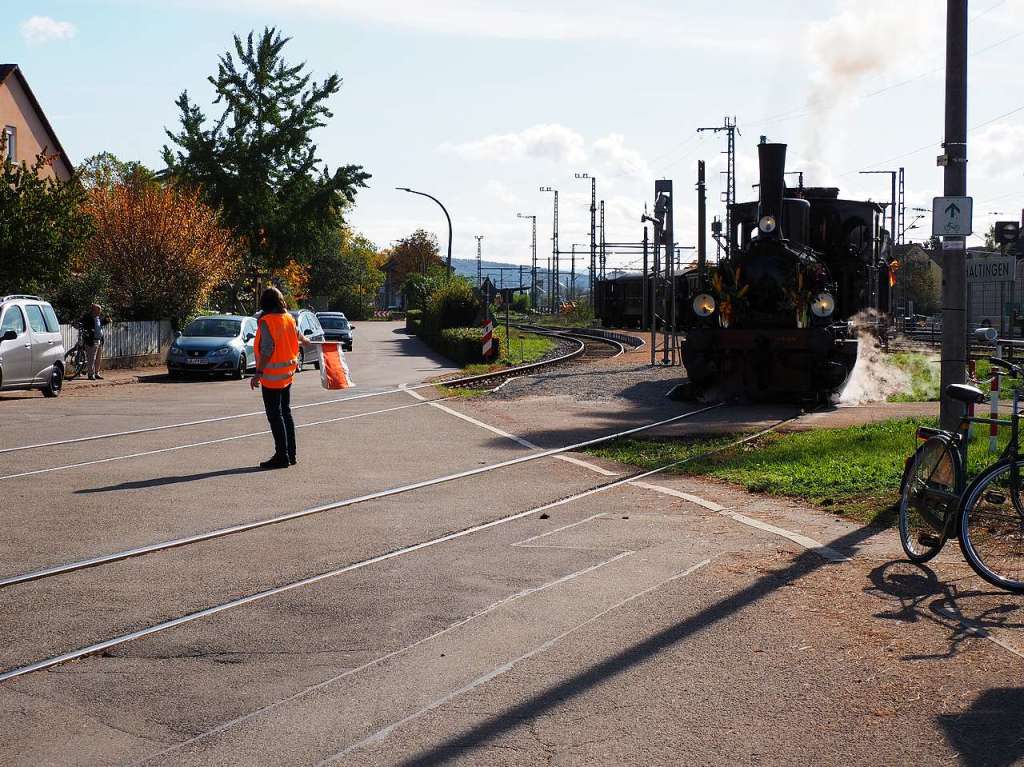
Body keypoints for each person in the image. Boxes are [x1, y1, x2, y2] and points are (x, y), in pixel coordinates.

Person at [250, 287, 312, 470]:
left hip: (271, 376)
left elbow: (268, 349)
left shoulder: (265, 321)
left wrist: (258, 373)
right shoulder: (288, 318)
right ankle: (291, 454)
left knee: (275, 416)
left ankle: (281, 456)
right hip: (287, 374)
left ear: (264, 302)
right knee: (286, 413)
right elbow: (298, 334)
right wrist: (306, 340)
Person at [78, 303, 105, 380]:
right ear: (93, 310)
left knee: (98, 358)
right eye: (98, 310)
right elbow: (81, 323)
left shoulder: (99, 317)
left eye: (100, 310)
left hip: (99, 340)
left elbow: (101, 325)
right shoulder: (88, 317)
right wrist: (89, 331)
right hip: (91, 340)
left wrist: (106, 320)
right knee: (91, 358)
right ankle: (91, 374)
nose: (100, 311)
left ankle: (97, 373)